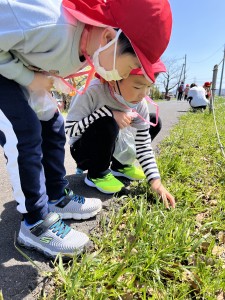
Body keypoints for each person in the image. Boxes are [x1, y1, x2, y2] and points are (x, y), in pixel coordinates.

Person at [0, 0, 172, 258]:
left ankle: (56, 195)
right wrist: (29, 79)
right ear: (108, 37)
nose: (115, 77)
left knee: (53, 124)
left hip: (17, 68)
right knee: (24, 132)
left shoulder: (92, 47)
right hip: (8, 74)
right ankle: (34, 221)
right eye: (125, 70)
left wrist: (155, 182)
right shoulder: (50, 23)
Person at [66, 60, 175, 209]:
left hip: (112, 144)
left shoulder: (140, 101)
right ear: (113, 80)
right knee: (108, 122)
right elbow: (70, 131)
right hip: (83, 150)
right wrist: (108, 113)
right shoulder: (91, 91)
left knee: (154, 121)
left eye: (149, 86)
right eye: (137, 86)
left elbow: (143, 145)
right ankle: (97, 174)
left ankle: (120, 166)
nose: (144, 94)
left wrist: (155, 182)